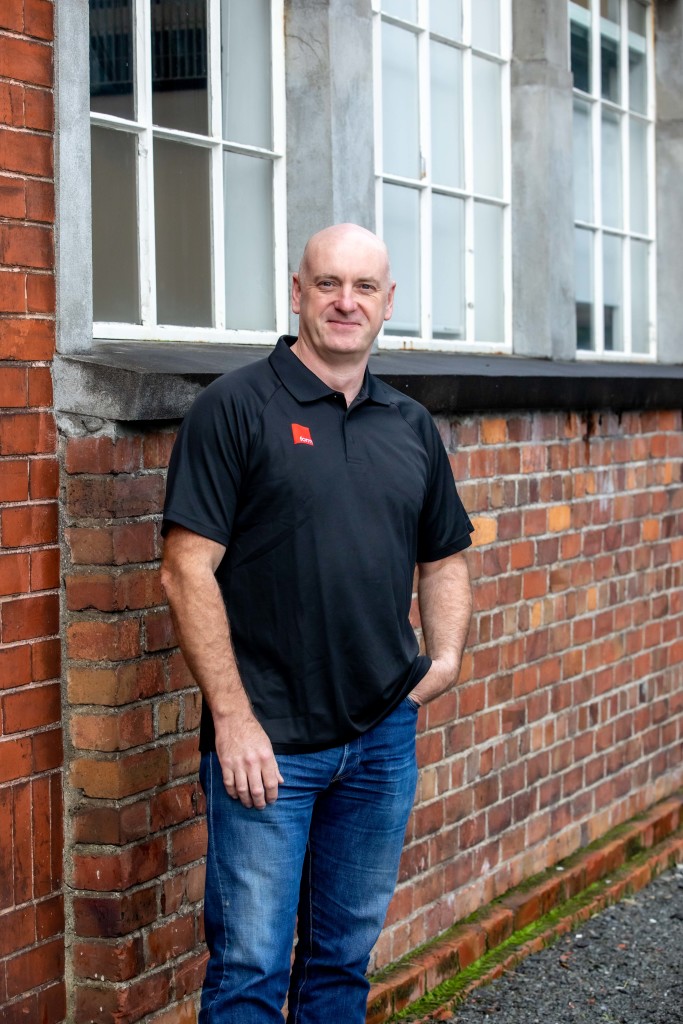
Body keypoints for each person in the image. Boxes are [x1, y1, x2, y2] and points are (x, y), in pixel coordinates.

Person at [160, 223, 474, 1024]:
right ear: (297, 292)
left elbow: (443, 556)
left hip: (380, 740)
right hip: (267, 746)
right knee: (249, 970)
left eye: (363, 287)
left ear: (387, 303)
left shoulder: (408, 423)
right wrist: (232, 720)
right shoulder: (235, 408)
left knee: (341, 962)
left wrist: (442, 661)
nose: (345, 302)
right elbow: (185, 569)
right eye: (328, 283)